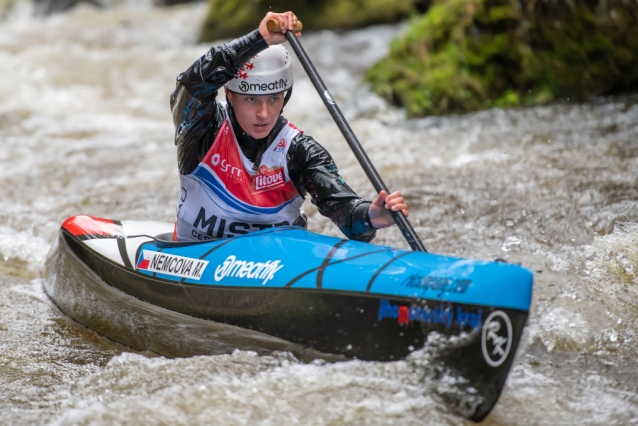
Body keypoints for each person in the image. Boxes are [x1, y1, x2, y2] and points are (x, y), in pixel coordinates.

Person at [170, 11, 409, 243]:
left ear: (286, 95)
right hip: (195, 253)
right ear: (230, 95)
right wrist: (258, 39)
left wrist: (369, 218)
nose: (264, 114)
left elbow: (344, 212)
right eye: (251, 99)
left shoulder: (300, 151)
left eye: (274, 99)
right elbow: (193, 83)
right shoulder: (201, 128)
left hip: (275, 265)